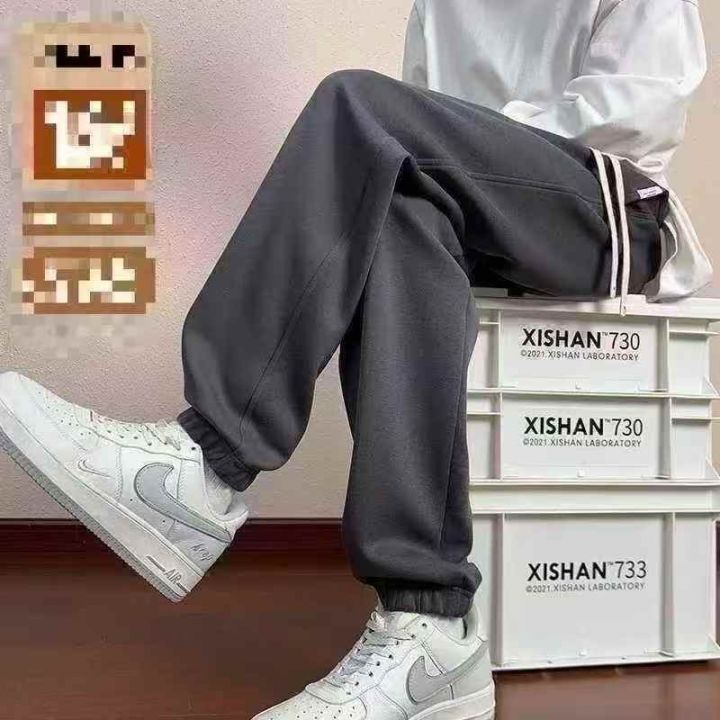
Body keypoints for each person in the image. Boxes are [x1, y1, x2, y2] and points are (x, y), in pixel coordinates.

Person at [0, 1, 711, 718]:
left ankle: (209, 459)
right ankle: (428, 626)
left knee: (360, 106)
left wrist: (467, 136)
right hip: (479, 212)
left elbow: (638, 114)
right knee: (400, 215)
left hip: (610, 212)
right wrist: (447, 143)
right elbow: (414, 137)